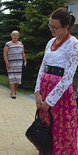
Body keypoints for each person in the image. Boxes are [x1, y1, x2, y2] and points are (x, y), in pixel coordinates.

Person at [35, 8, 78, 155]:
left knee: (61, 133)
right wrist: (37, 92)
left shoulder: (73, 44)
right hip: (44, 92)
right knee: (46, 130)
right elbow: (42, 68)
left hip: (61, 98)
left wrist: (50, 101)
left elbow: (68, 77)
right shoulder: (50, 42)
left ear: (66, 27)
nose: (51, 29)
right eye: (50, 26)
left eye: (55, 27)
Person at [3, 30, 27, 99]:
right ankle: (13, 92)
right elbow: (5, 54)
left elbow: (23, 53)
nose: (15, 36)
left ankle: (14, 90)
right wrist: (7, 62)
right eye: (14, 35)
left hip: (19, 64)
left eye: (17, 35)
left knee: (18, 79)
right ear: (11, 36)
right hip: (11, 64)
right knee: (11, 78)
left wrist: (25, 61)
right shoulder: (8, 44)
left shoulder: (20, 44)